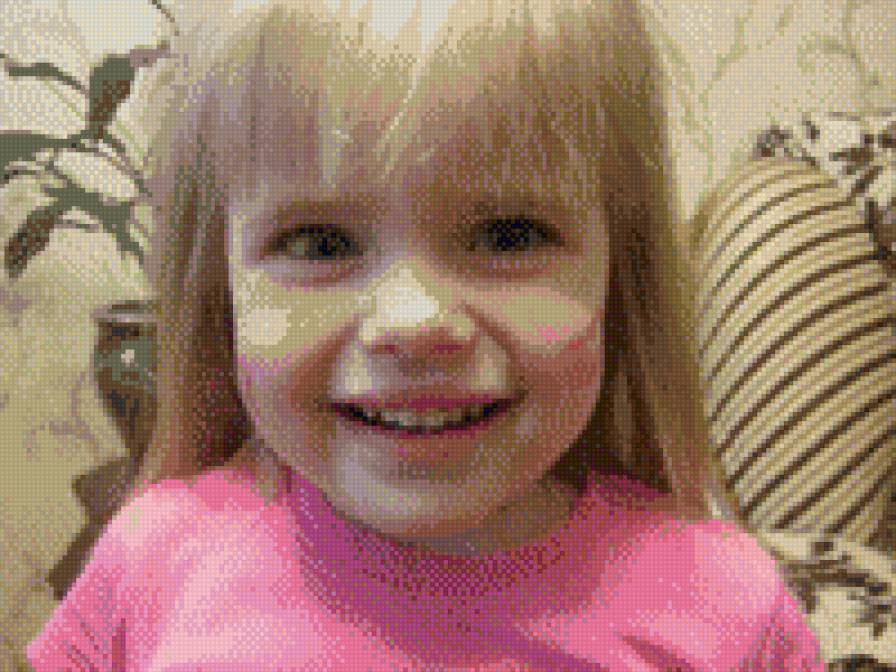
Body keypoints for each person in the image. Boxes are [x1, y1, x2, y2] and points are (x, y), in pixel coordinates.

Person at [27, 0, 826, 669]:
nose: (414, 323)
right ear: (221, 293)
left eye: (509, 235)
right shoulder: (154, 566)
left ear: (623, 280)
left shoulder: (724, 607)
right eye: (320, 243)